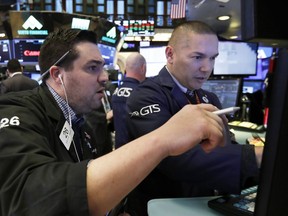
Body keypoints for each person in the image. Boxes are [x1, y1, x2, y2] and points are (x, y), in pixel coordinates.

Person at [0, 28, 227, 216]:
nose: (105, 77)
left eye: (103, 67)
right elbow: (31, 198)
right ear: (58, 75)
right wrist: (164, 138)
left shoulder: (82, 127)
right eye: (92, 68)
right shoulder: (18, 112)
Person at [123, 21, 263, 215]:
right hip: (161, 205)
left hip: (202, 202)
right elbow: (173, 158)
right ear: (170, 54)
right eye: (198, 57)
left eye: (212, 58)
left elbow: (225, 144)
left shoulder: (209, 98)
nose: (207, 68)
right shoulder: (146, 96)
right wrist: (254, 156)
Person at [111, 52, 147, 148]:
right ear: (143, 68)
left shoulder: (116, 91)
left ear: (126, 68)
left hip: (119, 149)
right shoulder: (142, 93)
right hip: (136, 150)